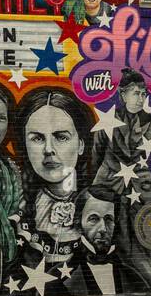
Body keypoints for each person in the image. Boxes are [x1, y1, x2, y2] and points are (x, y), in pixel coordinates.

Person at [13, 87, 95, 272]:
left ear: (81, 144)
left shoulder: (100, 202)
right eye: (37, 138)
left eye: (61, 137)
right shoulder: (15, 205)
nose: (48, 149)